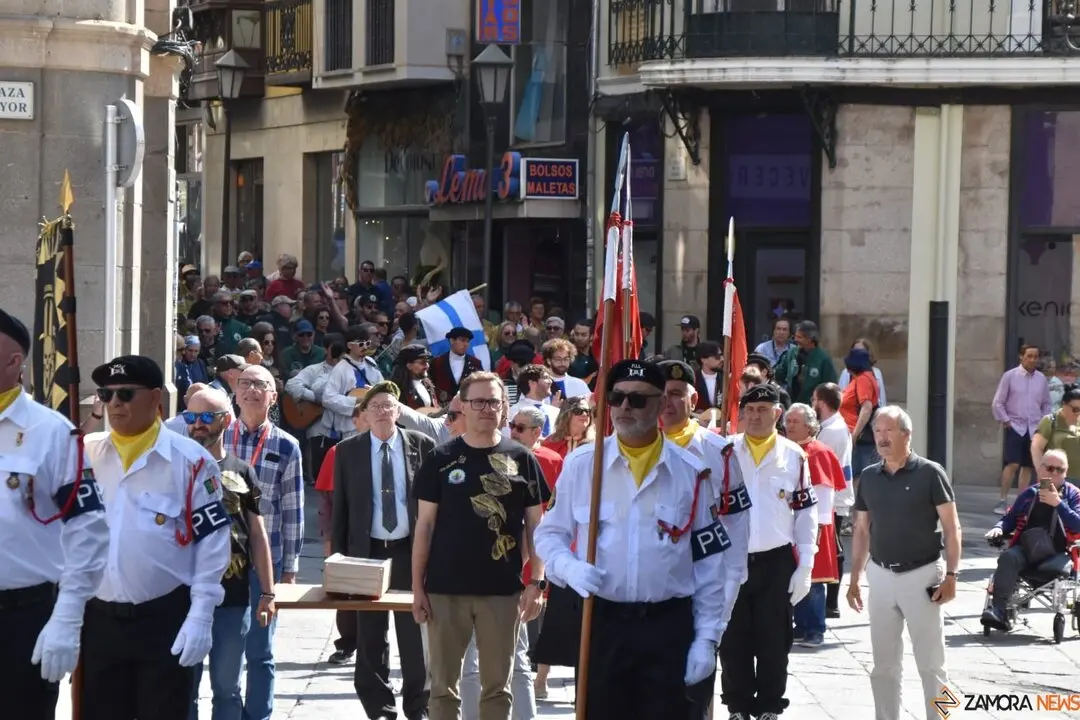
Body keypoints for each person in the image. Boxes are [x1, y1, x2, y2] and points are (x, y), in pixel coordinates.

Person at [534, 359, 734, 720]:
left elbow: (710, 565)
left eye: (638, 400)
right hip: (601, 621)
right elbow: (550, 535)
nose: (625, 407)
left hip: (667, 624)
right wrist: (568, 567)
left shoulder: (691, 473)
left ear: (661, 404)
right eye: (617, 397)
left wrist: (707, 638)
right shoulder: (584, 465)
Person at [81, 355, 231, 720]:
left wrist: (201, 614)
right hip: (98, 621)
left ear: (154, 398)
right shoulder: (85, 455)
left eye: (126, 394)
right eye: (107, 394)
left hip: (163, 619)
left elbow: (212, 543)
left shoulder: (192, 461)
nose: (115, 403)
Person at [412, 372, 546, 720]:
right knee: (442, 688)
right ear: (463, 406)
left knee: (498, 689)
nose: (487, 408)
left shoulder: (522, 459)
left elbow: (536, 527)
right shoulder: (440, 458)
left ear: (504, 407)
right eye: (479, 402)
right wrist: (417, 588)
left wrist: (536, 582)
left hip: (502, 591)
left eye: (494, 402)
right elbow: (424, 526)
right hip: (445, 590)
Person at [0, 309, 109, 720]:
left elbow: (89, 528)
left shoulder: (50, 432)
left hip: (20, 616)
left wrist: (67, 616)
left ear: (14, 361)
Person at [847, 405, 960, 720]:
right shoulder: (869, 477)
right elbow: (861, 530)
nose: (882, 437)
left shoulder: (930, 473)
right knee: (883, 665)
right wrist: (854, 579)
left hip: (922, 575)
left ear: (906, 434)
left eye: (889, 431)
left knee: (932, 664)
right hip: (881, 575)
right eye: (877, 431)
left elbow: (952, 528)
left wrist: (952, 575)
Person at [331, 381, 433, 720]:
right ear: (364, 414)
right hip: (367, 552)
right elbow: (341, 509)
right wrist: (339, 559)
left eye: (388, 405)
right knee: (370, 636)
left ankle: (418, 706)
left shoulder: (422, 445)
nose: (382, 412)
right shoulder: (348, 451)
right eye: (374, 407)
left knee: (415, 633)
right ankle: (380, 709)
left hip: (409, 551)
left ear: (399, 411)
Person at [656, 359, 751, 719]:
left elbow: (736, 524)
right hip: (651, 583)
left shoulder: (718, 452)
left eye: (676, 393)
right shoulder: (631, 446)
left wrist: (731, 583)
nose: (668, 402)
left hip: (701, 581)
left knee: (695, 690)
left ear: (693, 399)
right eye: (661, 394)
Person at [719, 384, 818, 720]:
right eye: (750, 410)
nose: (755, 416)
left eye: (763, 410)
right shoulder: (726, 452)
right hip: (732, 560)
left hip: (776, 560)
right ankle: (738, 706)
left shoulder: (794, 455)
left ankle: (770, 706)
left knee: (775, 640)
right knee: (733, 640)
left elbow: (806, 512)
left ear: (777, 414)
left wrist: (806, 565)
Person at [186, 388, 276, 720]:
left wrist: (267, 592)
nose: (197, 424)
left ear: (226, 421)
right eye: (191, 417)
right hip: (181, 599)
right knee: (182, 690)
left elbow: (257, 534)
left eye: (206, 417)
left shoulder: (242, 470)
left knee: (227, 690)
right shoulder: (174, 466)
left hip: (233, 598)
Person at [224, 365, 305, 720]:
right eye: (245, 383)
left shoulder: (287, 446)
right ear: (235, 392)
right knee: (225, 650)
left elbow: (293, 510)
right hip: (221, 562)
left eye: (261, 385)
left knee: (260, 650)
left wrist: (290, 569)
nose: (252, 390)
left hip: (265, 564)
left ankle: (258, 715)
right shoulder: (218, 436)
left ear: (273, 396)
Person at [982, 448, 1080, 631]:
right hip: (1027, 549)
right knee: (1008, 557)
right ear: (1040, 469)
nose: (1055, 473)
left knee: (1056, 566)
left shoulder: (1074, 495)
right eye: (1050, 468)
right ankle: (998, 611)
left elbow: (1078, 524)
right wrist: (998, 528)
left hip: (1059, 552)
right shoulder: (1029, 494)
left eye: (1060, 470)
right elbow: (1009, 519)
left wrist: (1058, 503)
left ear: (1066, 472)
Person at [783, 404, 846, 648]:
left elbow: (824, 494)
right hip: (790, 523)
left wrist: (817, 527)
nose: (789, 426)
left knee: (814, 579)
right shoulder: (786, 448)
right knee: (794, 576)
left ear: (809, 426)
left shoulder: (819, 452)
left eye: (795, 422)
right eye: (788, 421)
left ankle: (815, 629)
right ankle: (801, 626)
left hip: (814, 524)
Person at [992, 344, 1051, 514]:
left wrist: (1044, 421)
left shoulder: (1041, 379)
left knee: (1028, 466)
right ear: (1021, 357)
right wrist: (1006, 420)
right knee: (1013, 463)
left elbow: (1046, 403)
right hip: (1016, 426)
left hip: (1035, 428)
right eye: (1029, 356)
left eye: (1035, 356)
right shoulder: (1010, 376)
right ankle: (1002, 500)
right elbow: (998, 402)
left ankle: (1021, 502)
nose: (1032, 359)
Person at [812, 382, 854, 617]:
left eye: (814, 400)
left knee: (833, 548)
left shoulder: (832, 431)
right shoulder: (833, 425)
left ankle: (831, 603)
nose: (812, 404)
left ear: (822, 402)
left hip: (834, 498)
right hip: (836, 495)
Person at [322, 325, 385, 441]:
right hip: (350, 428)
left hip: (373, 425)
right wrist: (355, 401)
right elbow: (328, 398)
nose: (365, 347)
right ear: (349, 346)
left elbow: (382, 388)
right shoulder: (340, 368)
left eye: (367, 343)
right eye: (361, 344)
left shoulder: (371, 363)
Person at [1029, 383, 1080, 482]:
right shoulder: (1050, 421)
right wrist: (1042, 474)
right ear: (1064, 404)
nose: (1078, 413)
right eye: (1075, 409)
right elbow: (1036, 448)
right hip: (1056, 478)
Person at [429, 327, 483, 404]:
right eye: (462, 340)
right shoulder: (437, 362)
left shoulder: (475, 363)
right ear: (452, 341)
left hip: (468, 406)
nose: (466, 344)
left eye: (468, 341)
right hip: (443, 407)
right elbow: (431, 385)